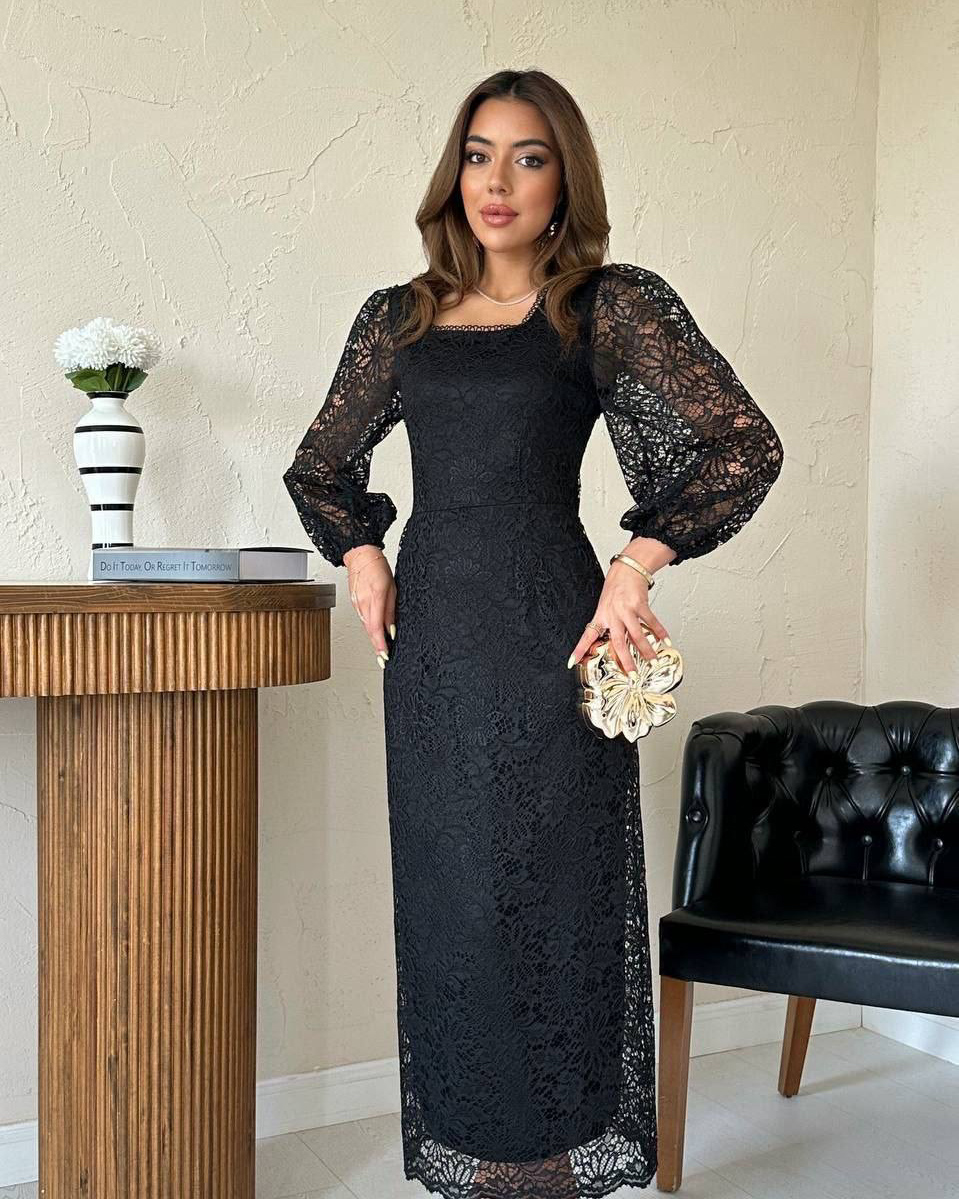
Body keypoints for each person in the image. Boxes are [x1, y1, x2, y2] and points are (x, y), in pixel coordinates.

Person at [282, 68, 784, 1199]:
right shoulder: (398, 318)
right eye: (477, 154)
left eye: (528, 156)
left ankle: (555, 1154)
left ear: (565, 180)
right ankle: (477, 1149)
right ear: (451, 172)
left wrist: (636, 562)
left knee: (554, 888)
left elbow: (741, 445)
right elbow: (320, 468)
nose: (496, 181)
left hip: (554, 636)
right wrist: (362, 554)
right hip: (435, 649)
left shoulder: (604, 305)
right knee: (453, 894)